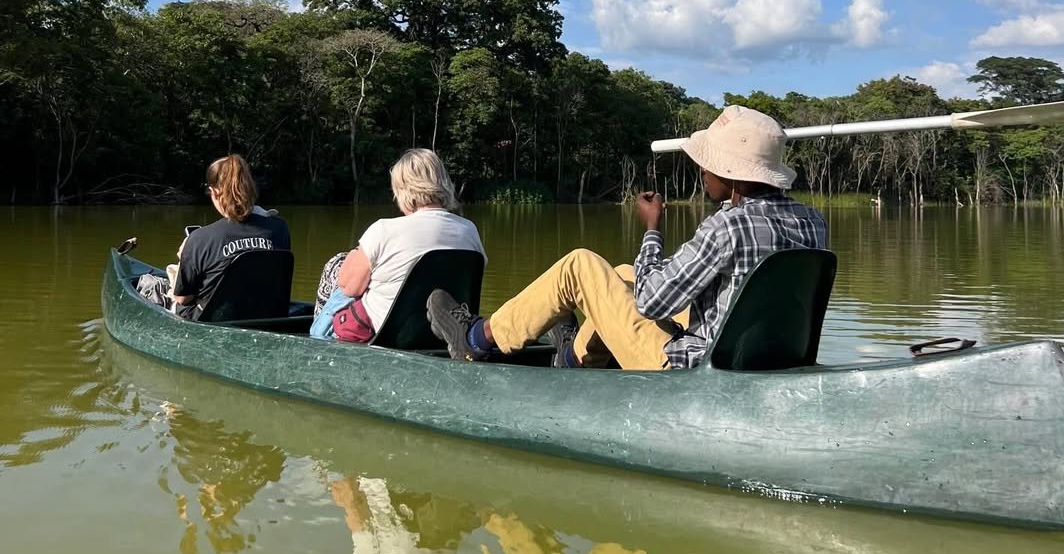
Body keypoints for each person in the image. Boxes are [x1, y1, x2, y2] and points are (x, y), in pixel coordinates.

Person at [426, 105, 827, 369]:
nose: (703, 171)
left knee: (579, 266)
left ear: (733, 174)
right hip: (747, 351)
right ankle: (574, 357)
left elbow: (651, 302)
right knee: (621, 274)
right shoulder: (813, 222)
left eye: (708, 164)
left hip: (688, 368)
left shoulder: (728, 226)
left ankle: (476, 338)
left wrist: (652, 230)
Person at [310, 148, 485, 341]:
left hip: (384, 336)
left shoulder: (383, 230)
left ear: (402, 189)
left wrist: (353, 256)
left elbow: (349, 289)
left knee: (337, 265)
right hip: (440, 335)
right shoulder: (469, 230)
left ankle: (317, 339)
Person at [136, 155, 290, 318]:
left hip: (211, 321)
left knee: (151, 287)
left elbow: (182, 298)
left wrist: (184, 256)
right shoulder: (279, 228)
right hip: (267, 316)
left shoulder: (199, 239)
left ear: (215, 192)